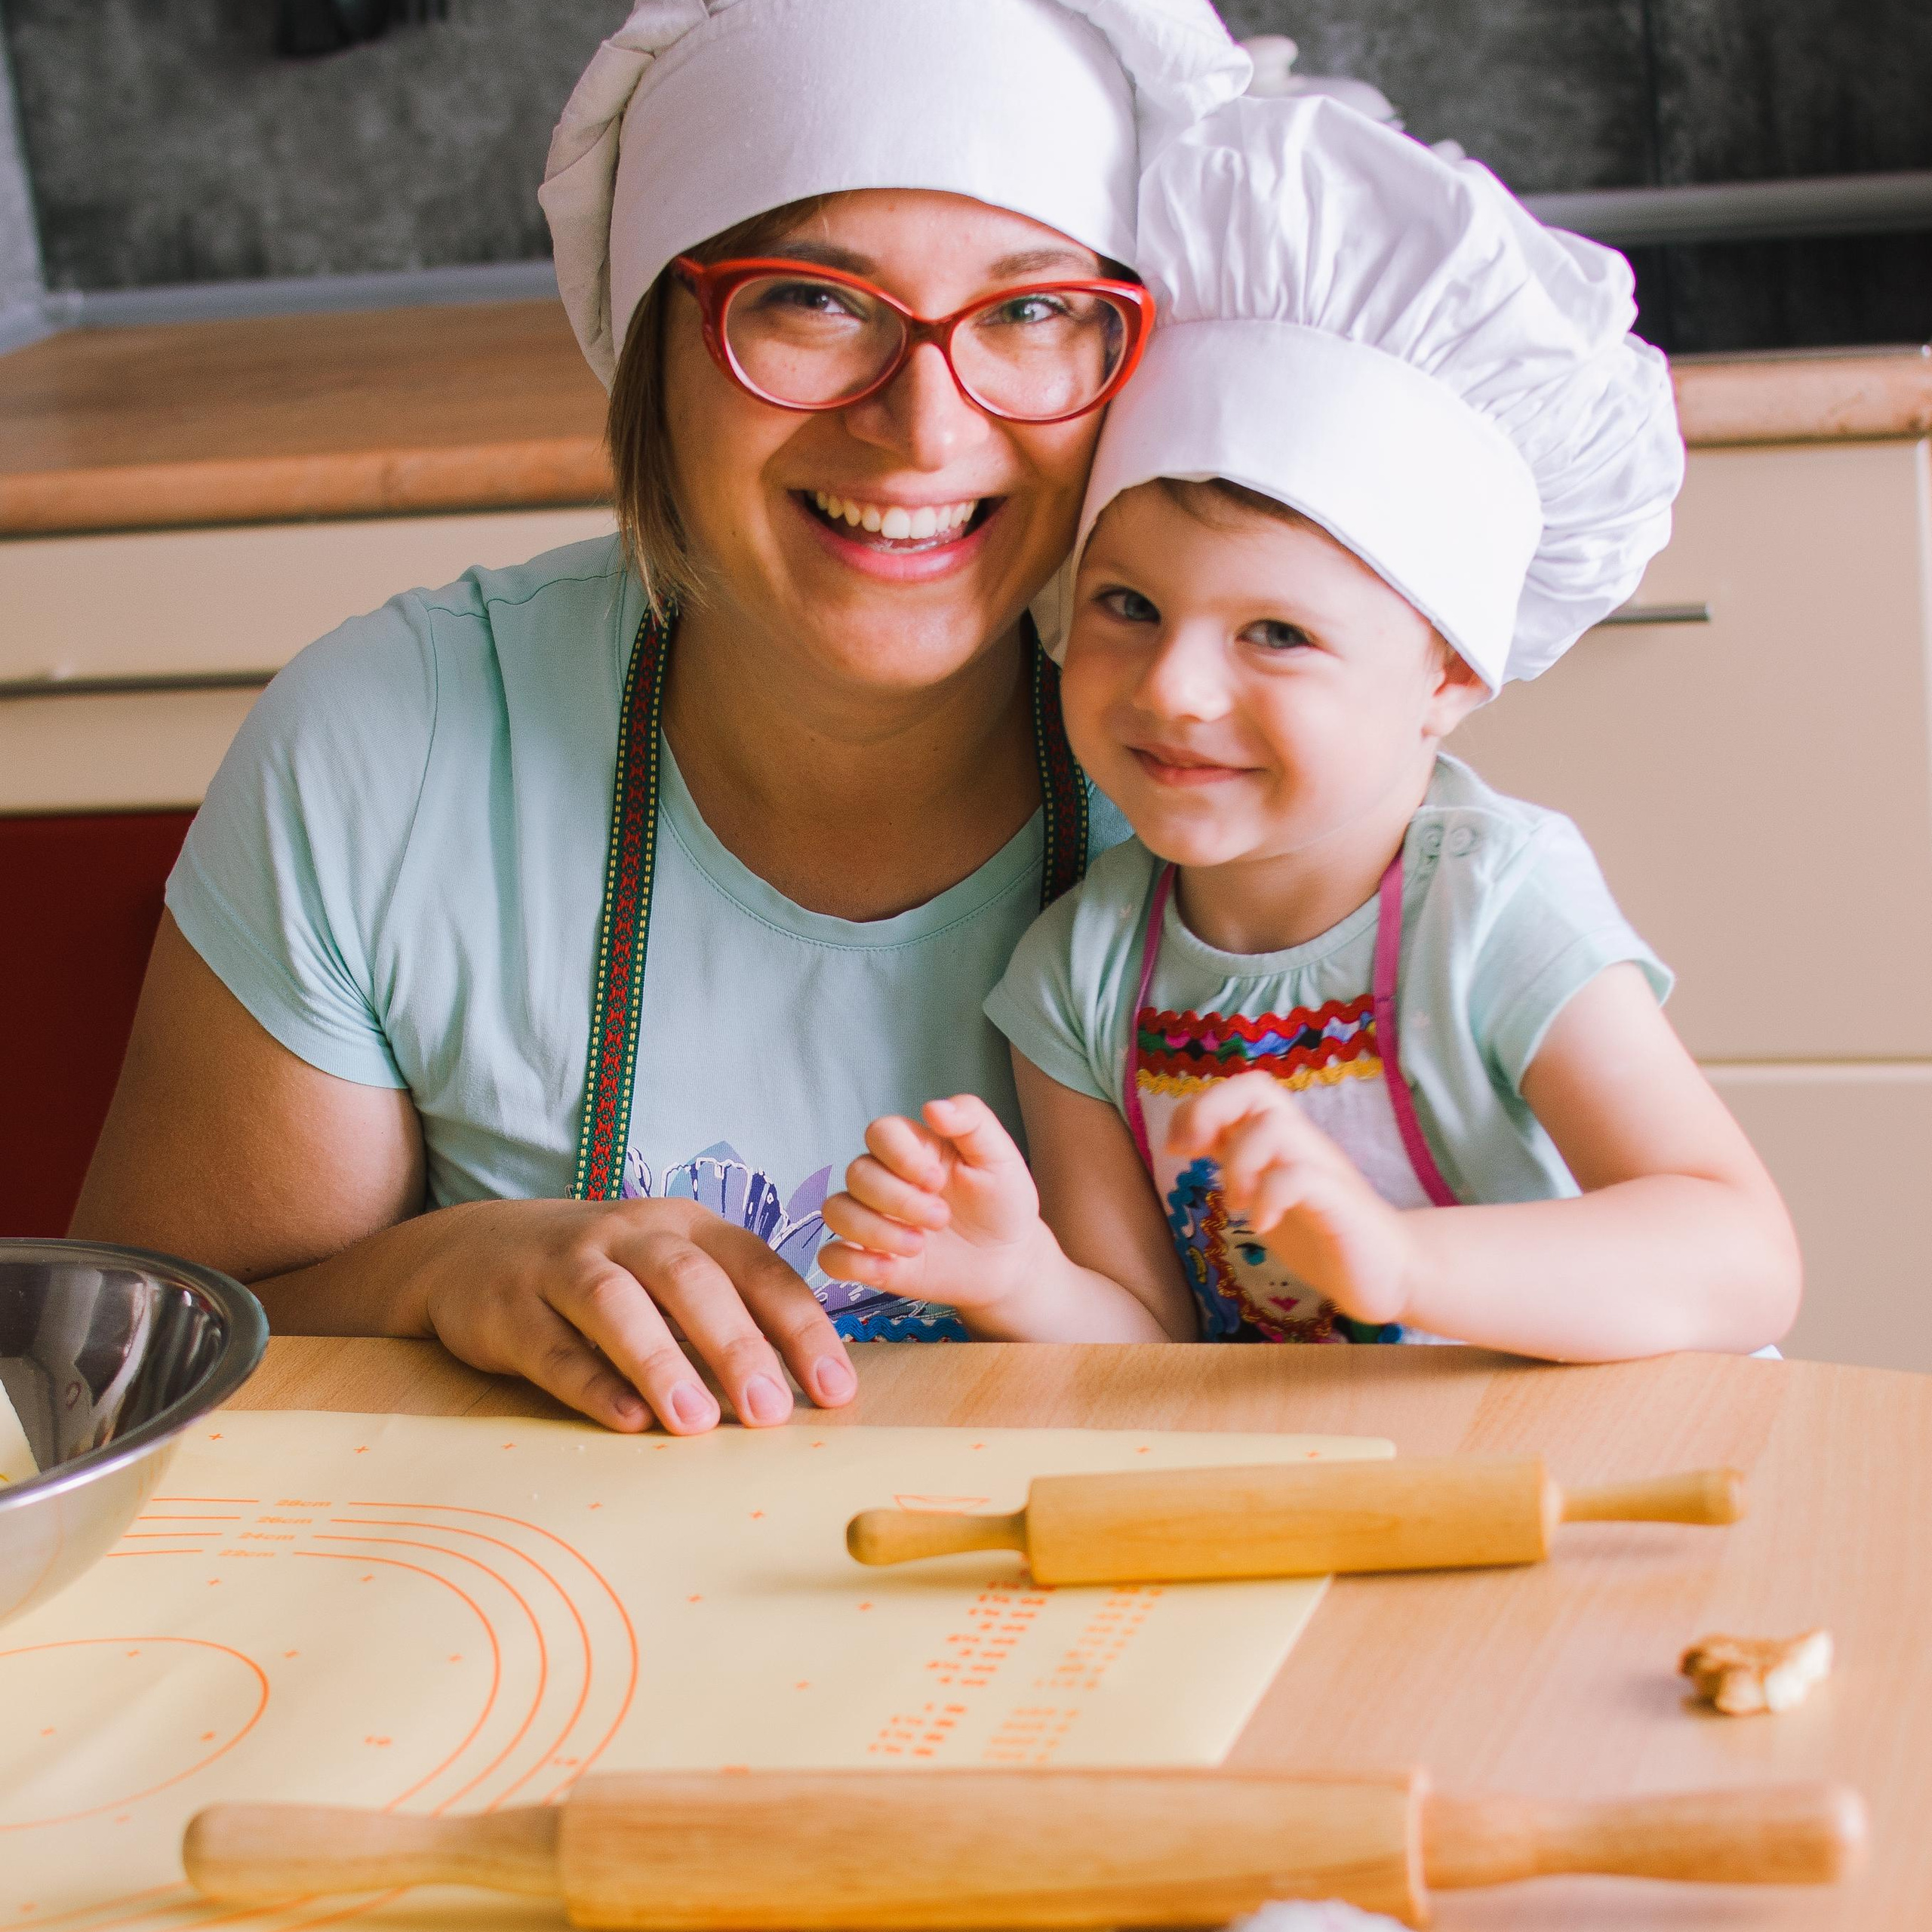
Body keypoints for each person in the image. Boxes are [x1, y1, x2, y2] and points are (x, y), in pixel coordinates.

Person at [69, 1, 1254, 1430]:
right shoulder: (398, 747)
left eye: (1035, 309)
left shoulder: (1258, 765)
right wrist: (440, 1275)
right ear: (655, 346)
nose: (927, 427)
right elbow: (134, 1387)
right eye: (814, 300)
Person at [819, 97, 1801, 1358]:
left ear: (1447, 673)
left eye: (1275, 634)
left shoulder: (1490, 909)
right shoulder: (1079, 975)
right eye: (1127, 604)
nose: (1172, 687)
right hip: (1321, 1506)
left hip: (1592, 1479)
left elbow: (1740, 1259)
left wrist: (1401, 1261)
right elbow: (1150, 1344)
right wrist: (1014, 1277)